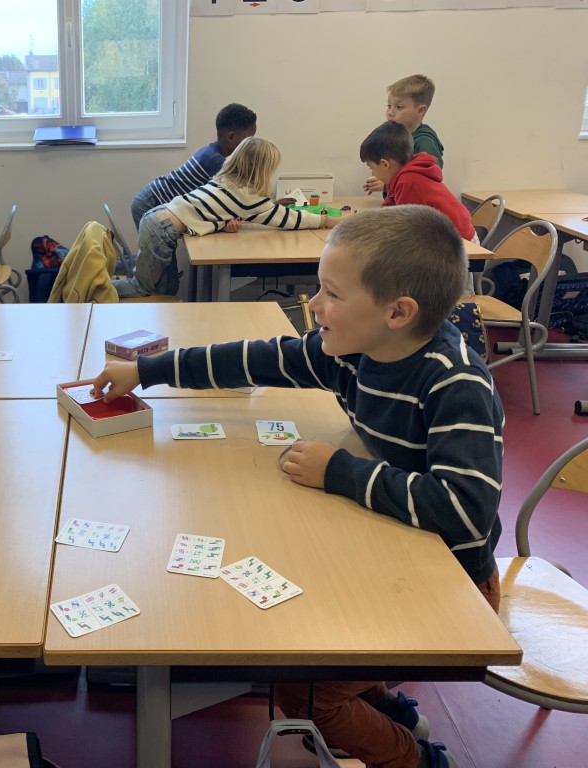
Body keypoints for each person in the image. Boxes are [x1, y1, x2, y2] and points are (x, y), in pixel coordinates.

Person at [92, 206, 504, 768]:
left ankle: (418, 760)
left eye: (331, 293)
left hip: (452, 587)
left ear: (398, 312)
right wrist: (149, 371)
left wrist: (340, 471)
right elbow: (262, 359)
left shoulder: (456, 383)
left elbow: (463, 511)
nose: (313, 305)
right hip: (395, 548)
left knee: (303, 694)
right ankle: (388, 709)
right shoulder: (356, 349)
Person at [114, 136, 338, 299]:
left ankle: (109, 276)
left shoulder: (225, 180)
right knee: (143, 288)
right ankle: (98, 288)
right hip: (161, 230)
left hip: (157, 218)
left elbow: (216, 209)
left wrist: (222, 224)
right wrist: (328, 222)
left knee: (169, 286)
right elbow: (290, 219)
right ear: (263, 170)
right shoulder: (249, 197)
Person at [130, 103, 258, 230]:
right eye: (249, 140)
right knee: (160, 241)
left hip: (152, 199)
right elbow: (230, 201)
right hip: (151, 202)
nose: (251, 146)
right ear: (231, 137)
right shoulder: (217, 162)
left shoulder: (212, 151)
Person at [360, 121, 475, 242]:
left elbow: (405, 226)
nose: (372, 173)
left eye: (371, 167)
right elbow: (389, 211)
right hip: (446, 237)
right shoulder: (396, 178)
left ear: (385, 164)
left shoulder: (409, 181)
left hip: (461, 241)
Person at [364, 75, 442, 196]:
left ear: (420, 110)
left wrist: (387, 186)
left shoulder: (425, 142)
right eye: (389, 106)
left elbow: (424, 184)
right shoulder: (398, 138)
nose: (390, 113)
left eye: (399, 107)